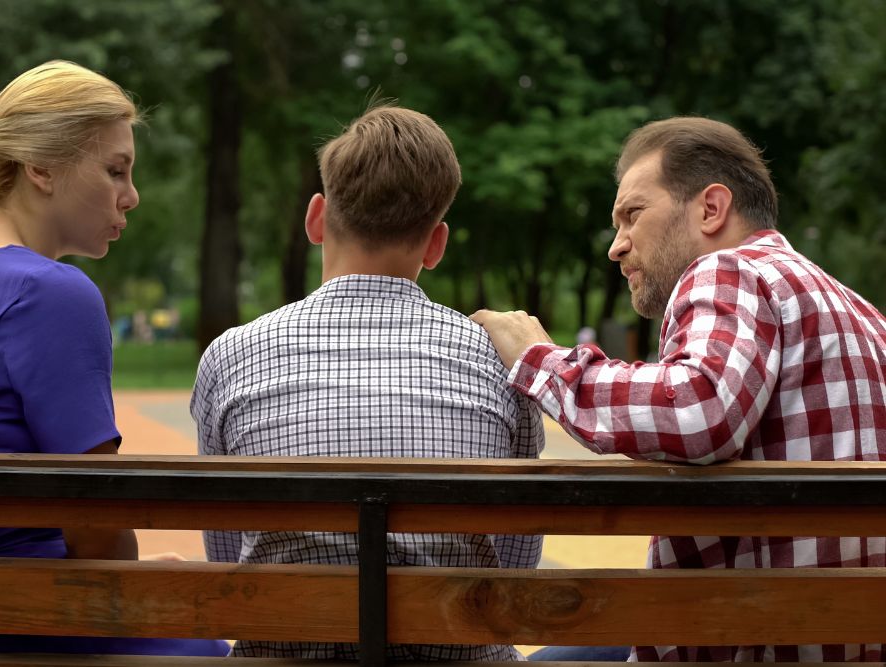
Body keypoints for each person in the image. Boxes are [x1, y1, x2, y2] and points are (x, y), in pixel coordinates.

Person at [471, 116, 886, 662]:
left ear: (711, 209)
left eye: (632, 215)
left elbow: (697, 409)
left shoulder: (731, 269)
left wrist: (540, 359)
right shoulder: (861, 311)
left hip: (748, 640)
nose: (616, 248)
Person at [0, 60, 226, 657]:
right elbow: (97, 527)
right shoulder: (50, 291)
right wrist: (141, 582)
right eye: (115, 170)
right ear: (40, 167)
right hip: (14, 623)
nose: (132, 195)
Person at [191, 104, 545, 661]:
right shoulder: (497, 361)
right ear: (436, 243)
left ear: (316, 218)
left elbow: (227, 548)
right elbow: (514, 559)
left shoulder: (231, 355)